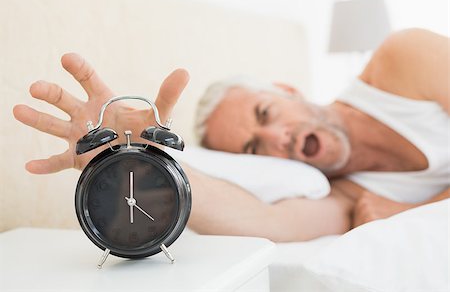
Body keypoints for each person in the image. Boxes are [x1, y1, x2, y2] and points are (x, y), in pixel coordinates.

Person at [13, 28, 449, 242]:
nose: (278, 137)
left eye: (266, 112)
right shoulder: (347, 200)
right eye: (255, 149)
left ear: (288, 90)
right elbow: (267, 224)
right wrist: (137, 152)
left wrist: (412, 211)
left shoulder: (403, 61)